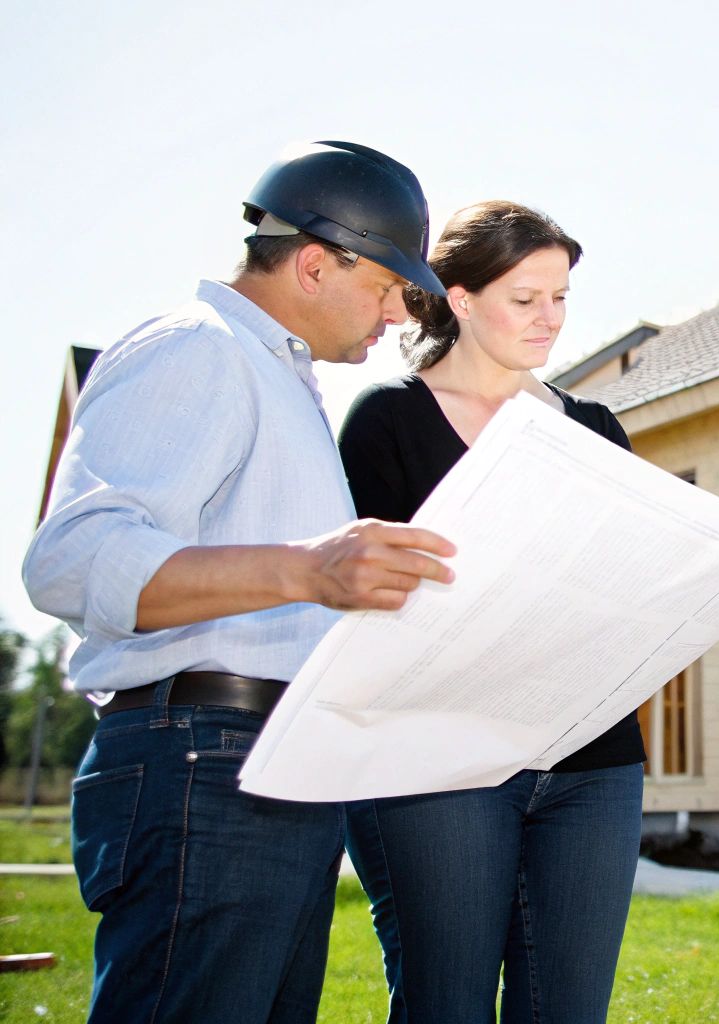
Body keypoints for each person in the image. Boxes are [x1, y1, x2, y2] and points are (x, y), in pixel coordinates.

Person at [337, 200, 719, 1023]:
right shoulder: (387, 421)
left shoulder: (592, 427)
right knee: (445, 1006)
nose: (550, 318)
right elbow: (363, 603)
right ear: (459, 299)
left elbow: (640, 578)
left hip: (592, 766)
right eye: (525, 299)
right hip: (439, 761)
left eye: (560, 298)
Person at [22, 142, 460, 1022]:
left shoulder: (281, 380)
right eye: (386, 287)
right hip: (200, 764)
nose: (395, 316)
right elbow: (72, 558)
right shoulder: (198, 348)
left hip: (262, 764)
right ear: (313, 263)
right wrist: (308, 568)